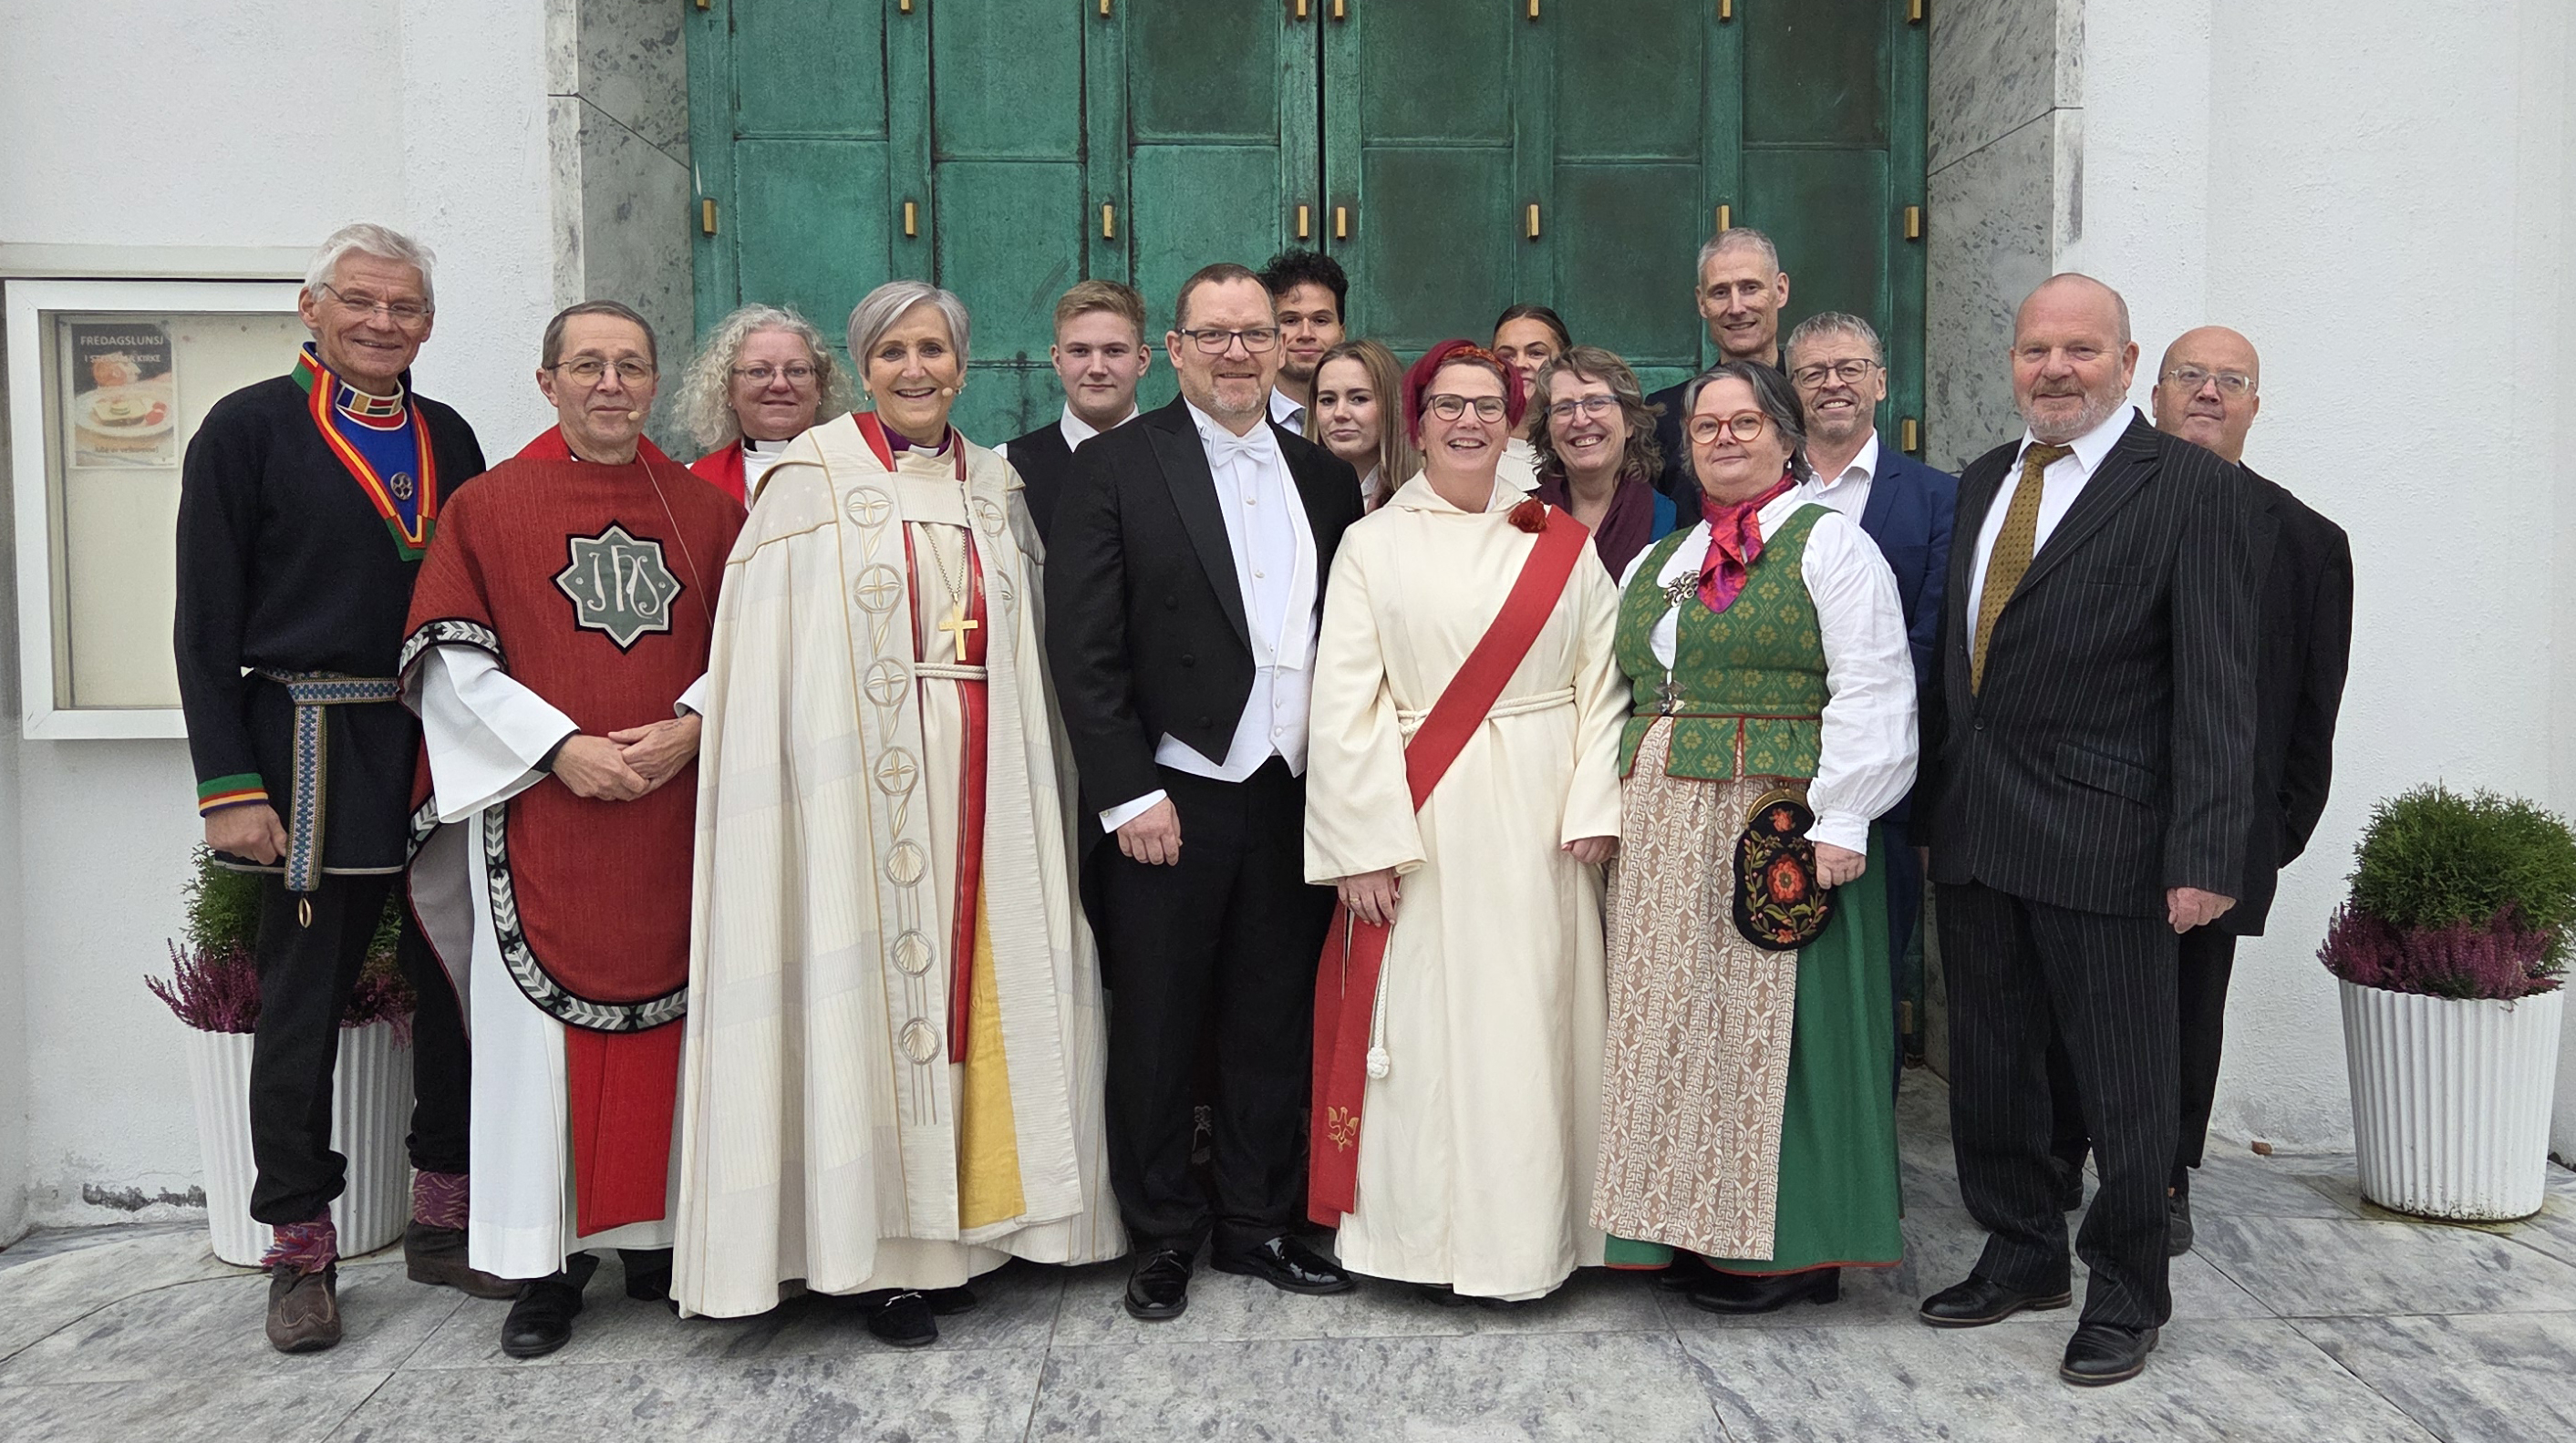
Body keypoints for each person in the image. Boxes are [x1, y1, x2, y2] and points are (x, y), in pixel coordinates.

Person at [675, 281, 1126, 1344]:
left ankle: (984, 1228)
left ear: (962, 366)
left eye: (932, 350)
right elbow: (772, 659)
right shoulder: (808, 479)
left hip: (990, 776)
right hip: (852, 793)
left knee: (990, 986)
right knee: (862, 994)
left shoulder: (997, 484)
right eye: (891, 353)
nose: (913, 370)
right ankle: (875, 1251)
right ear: (862, 365)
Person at [1915, 274, 2258, 1387]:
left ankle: (2124, 1289)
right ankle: (2020, 1252)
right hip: (1976, 826)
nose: (2052, 369)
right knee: (1994, 1069)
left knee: (2125, 1086)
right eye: (2032, 350)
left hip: (2108, 840)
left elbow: (2216, 683)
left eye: (2077, 349)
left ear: (2124, 360)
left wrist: (2205, 853)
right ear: (2010, 360)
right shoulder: (1979, 481)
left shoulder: (2183, 488)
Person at [174, 222, 507, 1354]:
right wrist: (229, 784)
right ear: (311, 307)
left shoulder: (448, 433)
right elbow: (204, 623)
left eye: (404, 306)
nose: (381, 322)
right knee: (303, 1002)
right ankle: (300, 1246)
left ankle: (443, 1214)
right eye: (359, 301)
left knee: (456, 984)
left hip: (431, 740)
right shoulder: (248, 428)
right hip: (304, 743)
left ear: (428, 321)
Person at [401, 299, 746, 1360]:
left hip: (673, 820)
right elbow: (450, 662)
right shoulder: (486, 507)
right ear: (545, 380)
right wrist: (560, 748)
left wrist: (693, 724)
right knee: (534, 1058)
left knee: (675, 1044)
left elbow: (754, 643)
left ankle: (657, 1240)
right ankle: (542, 1268)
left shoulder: (707, 511)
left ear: (656, 383)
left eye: (631, 365)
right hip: (544, 818)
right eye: (587, 364)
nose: (610, 383)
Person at [1046, 262, 1366, 1321]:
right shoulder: (1116, 467)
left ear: (1282, 347)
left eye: (1256, 334)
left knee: (1268, 1019)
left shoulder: (1323, 477)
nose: (1238, 352)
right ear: (1171, 350)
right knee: (1157, 1024)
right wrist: (1127, 792)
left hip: (1285, 791)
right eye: (1213, 334)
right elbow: (1083, 649)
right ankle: (1163, 1231)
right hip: (1169, 798)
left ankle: (1254, 1220)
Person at [1590, 361, 1917, 1318]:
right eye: (1704, 427)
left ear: (1783, 437)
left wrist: (1846, 816)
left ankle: (1787, 1246)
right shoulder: (1662, 558)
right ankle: (1690, 1225)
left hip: (1775, 819)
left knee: (1779, 1031)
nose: (1723, 438)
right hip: (1663, 825)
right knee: (1680, 1030)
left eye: (1743, 422)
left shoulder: (1830, 546)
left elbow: (1871, 682)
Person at [1303, 340, 1624, 1303]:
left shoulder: (1559, 545)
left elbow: (1602, 683)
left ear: (1513, 420)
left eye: (1488, 405)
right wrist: (1360, 843)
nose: (1469, 422)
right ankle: (1418, 1240)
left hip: (1537, 818)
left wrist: (1591, 804)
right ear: (1419, 415)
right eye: (1449, 405)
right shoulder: (1372, 543)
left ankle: (1532, 1238)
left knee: (1527, 1025)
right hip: (1420, 818)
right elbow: (1343, 701)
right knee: (1428, 1036)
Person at [2047, 325, 2353, 1255]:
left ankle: (2163, 1178)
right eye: (2190, 375)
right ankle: (2058, 1152)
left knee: (2184, 1009)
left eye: (2231, 380)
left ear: (2255, 405)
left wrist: (2259, 836)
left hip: (2209, 828)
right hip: (2085, 809)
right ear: (2153, 389)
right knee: (2065, 995)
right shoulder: (2077, 503)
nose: (2209, 392)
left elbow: (2309, 712)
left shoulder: (2305, 542)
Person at [1782, 313, 1960, 1077]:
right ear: (1788, 392)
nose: (1833, 383)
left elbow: (1932, 637)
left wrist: (1855, 732)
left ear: (1881, 382)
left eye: (1850, 367)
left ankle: (1863, 1156)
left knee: (1867, 976)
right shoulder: (1750, 492)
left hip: (1881, 786)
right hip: (1764, 771)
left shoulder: (1936, 498)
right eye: (1813, 371)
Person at [1647, 229, 1792, 518]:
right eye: (1720, 292)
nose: (1736, 308)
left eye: (1750, 288)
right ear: (1702, 302)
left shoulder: (1814, 398)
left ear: (1781, 290)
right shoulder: (1667, 414)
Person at [998, 279, 1153, 541]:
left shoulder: (1180, 460)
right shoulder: (1006, 467)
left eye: (1114, 351)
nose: (1097, 368)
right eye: (1080, 351)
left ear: (1142, 360)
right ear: (1058, 361)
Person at [673, 304, 853, 504]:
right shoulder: (692, 483)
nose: (780, 384)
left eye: (797, 371)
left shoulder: (858, 472)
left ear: (819, 387)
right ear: (728, 390)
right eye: (759, 371)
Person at [1526, 345, 1678, 577]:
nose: (1580, 420)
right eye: (1564, 408)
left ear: (1630, 423)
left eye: (1596, 402)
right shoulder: (1522, 516)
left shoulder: (1666, 518)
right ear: (1548, 431)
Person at [1303, 337, 1415, 511]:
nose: (1340, 413)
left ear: (1392, 406)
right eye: (1327, 400)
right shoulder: (1290, 491)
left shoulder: (1424, 497)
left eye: (1359, 399)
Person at [1258, 248, 1349, 432]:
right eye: (1291, 320)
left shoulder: (1375, 421)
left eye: (1320, 320)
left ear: (1342, 333)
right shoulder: (1244, 421)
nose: (1306, 334)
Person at [1492, 303, 1573, 459]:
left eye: (1536, 353)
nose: (1520, 364)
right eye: (1507, 355)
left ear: (1564, 361)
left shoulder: (1583, 447)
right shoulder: (1474, 446)